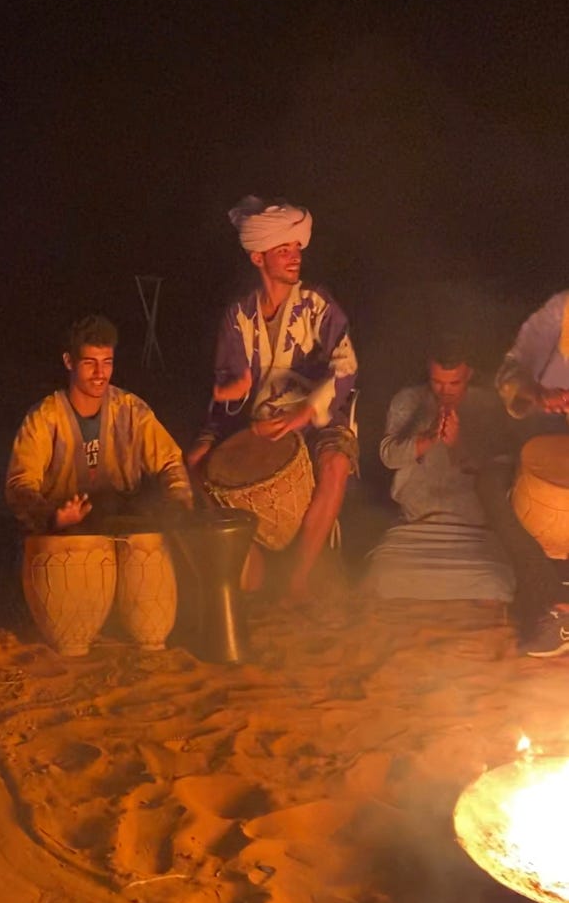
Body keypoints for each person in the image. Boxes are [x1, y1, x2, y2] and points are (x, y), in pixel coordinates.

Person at [186, 196, 358, 602]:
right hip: (260, 419)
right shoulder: (238, 316)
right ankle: (249, 560)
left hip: (318, 418)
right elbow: (228, 391)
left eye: (297, 247)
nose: (294, 256)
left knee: (335, 463)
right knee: (193, 463)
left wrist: (305, 412)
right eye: (283, 250)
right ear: (258, 257)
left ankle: (298, 576)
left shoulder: (317, 304)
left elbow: (346, 366)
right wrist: (231, 396)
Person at [5, 314, 192, 533]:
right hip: (60, 536)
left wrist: (177, 505)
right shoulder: (44, 419)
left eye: (107, 362)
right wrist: (52, 517)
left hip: (123, 531)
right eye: (89, 363)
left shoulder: (130, 411)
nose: (100, 373)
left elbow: (170, 462)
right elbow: (20, 485)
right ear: (68, 361)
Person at [370, 337, 514, 600]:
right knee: (382, 581)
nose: (445, 390)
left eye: (454, 383)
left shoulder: (488, 405)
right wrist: (426, 440)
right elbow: (389, 456)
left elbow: (498, 468)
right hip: (416, 523)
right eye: (437, 382)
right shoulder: (408, 400)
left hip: (473, 528)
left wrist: (458, 445)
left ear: (469, 374)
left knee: (496, 586)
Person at [477, 290, 569, 655]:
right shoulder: (563, 311)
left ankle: (554, 606)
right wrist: (537, 393)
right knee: (492, 483)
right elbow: (514, 368)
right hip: (544, 442)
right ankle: (555, 601)